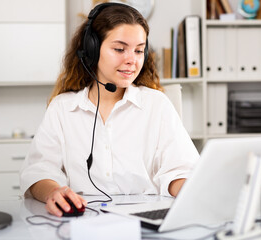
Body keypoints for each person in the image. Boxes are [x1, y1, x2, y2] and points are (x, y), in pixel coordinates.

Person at [20, 2, 199, 217]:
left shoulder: (157, 104)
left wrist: (193, 189)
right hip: (81, 219)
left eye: (139, 50)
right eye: (119, 49)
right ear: (92, 50)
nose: (132, 60)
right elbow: (38, 170)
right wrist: (54, 192)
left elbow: (179, 170)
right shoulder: (63, 108)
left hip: (145, 218)